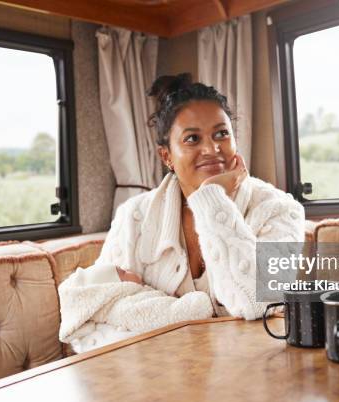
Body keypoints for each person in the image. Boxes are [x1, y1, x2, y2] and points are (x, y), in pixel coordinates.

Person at [94, 72, 305, 320]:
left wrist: (212, 200)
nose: (211, 149)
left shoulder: (278, 209)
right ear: (166, 156)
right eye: (192, 139)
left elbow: (261, 302)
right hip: (157, 358)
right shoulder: (133, 216)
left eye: (221, 134)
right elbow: (100, 305)